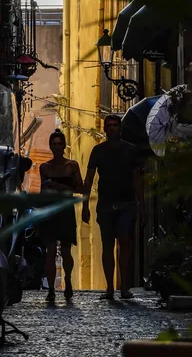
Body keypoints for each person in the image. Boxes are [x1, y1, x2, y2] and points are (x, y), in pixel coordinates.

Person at [82, 114, 146, 300]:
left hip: (127, 203)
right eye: (109, 126)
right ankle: (110, 287)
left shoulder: (131, 150)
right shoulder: (98, 151)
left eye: (115, 125)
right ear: (105, 129)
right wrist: (85, 205)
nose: (112, 128)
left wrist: (142, 205)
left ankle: (124, 286)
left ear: (120, 128)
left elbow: (136, 179)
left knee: (125, 242)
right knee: (107, 244)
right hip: (106, 204)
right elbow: (89, 179)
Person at [39, 129, 83, 302]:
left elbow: (80, 188)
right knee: (50, 251)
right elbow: (43, 191)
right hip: (50, 210)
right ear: (50, 146)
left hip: (65, 210)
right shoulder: (44, 167)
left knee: (66, 250)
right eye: (54, 144)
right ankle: (50, 288)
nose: (57, 147)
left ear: (64, 146)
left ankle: (68, 280)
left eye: (60, 144)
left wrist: (61, 187)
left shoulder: (72, 165)